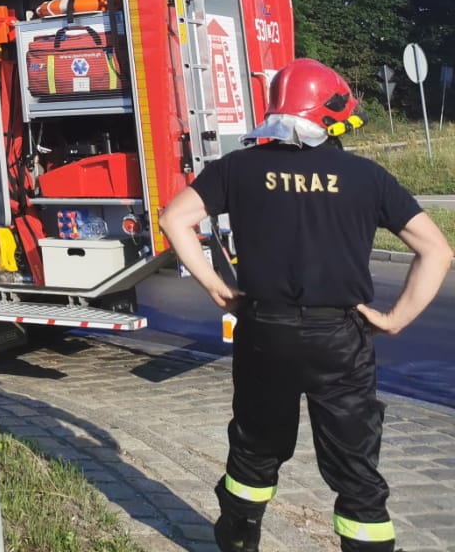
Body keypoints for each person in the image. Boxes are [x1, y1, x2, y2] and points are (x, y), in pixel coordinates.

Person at [160, 58, 452, 552]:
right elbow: (437, 251)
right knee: (354, 464)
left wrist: (214, 285)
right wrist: (394, 320)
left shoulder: (237, 167)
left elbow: (174, 218)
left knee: (255, 447)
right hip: (339, 339)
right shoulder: (367, 177)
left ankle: (238, 537)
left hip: (264, 331)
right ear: (333, 116)